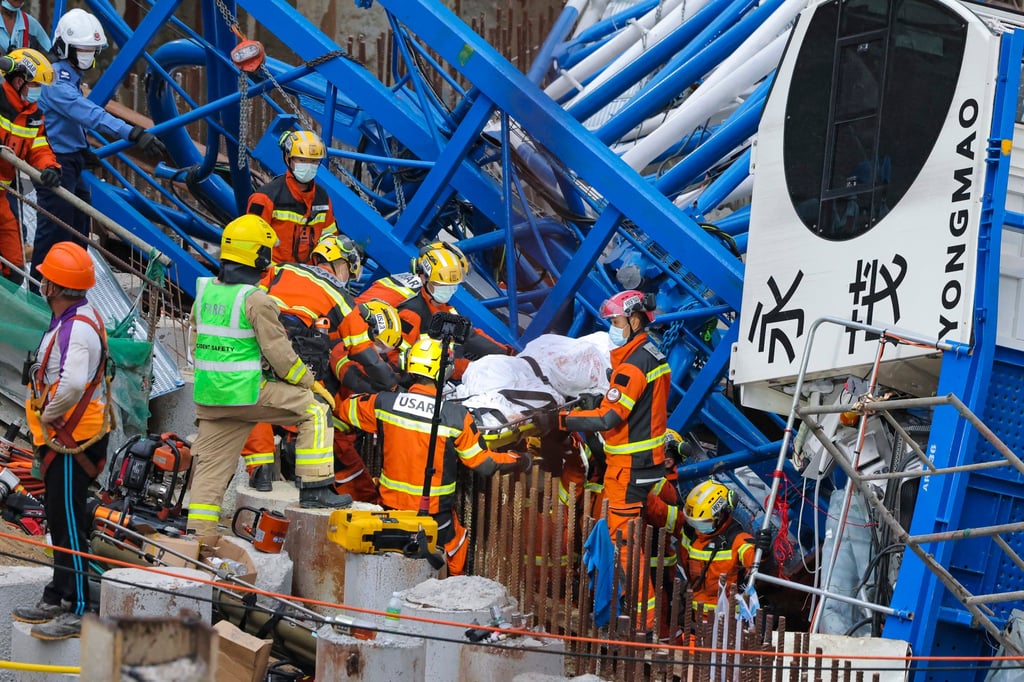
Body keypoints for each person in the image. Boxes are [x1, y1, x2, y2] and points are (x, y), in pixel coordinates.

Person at [186, 215, 351, 536]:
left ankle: (198, 539)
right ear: (258, 256)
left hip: (211, 399)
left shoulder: (205, 292)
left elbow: (198, 342)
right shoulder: (256, 300)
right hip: (248, 393)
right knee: (315, 409)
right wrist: (310, 383)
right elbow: (281, 356)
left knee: (211, 474)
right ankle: (315, 489)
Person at [336, 336, 531, 575]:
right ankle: (449, 592)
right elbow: (484, 464)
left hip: (389, 508)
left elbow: (344, 410)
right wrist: (520, 460)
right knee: (456, 546)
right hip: (435, 515)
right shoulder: (456, 416)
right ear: (446, 370)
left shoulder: (383, 403)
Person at [557, 289, 670, 633]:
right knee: (621, 538)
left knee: (623, 545)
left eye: (617, 322)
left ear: (635, 321)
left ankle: (646, 625)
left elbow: (609, 419)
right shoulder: (650, 354)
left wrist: (565, 421)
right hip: (644, 463)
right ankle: (636, 617)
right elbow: (629, 402)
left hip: (629, 466)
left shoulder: (633, 366)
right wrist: (598, 397)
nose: (613, 329)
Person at [13, 241, 110, 640]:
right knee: (58, 518)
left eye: (46, 279)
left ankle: (81, 610)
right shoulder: (73, 318)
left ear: (53, 286)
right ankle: (58, 593)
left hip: (74, 442)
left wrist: (48, 415)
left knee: (69, 523)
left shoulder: (77, 329)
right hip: (69, 439)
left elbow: (71, 383)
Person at [31, 8, 166, 287]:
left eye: (92, 50)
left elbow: (68, 121)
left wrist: (82, 149)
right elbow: (87, 113)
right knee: (54, 228)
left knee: (79, 226)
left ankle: (71, 285)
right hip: (54, 162)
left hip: (70, 160)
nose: (88, 55)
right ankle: (37, 287)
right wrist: (132, 132)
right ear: (64, 47)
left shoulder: (70, 74)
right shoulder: (56, 80)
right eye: (83, 49)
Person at [362, 246, 512, 379]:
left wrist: (508, 355)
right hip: (412, 379)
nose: (448, 290)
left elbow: (468, 335)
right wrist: (469, 369)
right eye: (441, 285)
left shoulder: (442, 305)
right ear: (423, 277)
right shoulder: (412, 313)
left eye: (452, 285)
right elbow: (401, 360)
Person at [0, 47, 58, 283]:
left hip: (2, 195)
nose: (37, 91)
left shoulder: (33, 115)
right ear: (18, 80)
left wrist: (50, 168)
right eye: (34, 85)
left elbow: (40, 148)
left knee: (13, 268)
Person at [679, 479, 772, 617]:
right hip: (694, 616)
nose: (699, 529)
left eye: (704, 524)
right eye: (695, 524)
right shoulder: (691, 533)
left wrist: (762, 551)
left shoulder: (736, 539)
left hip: (724, 621)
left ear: (722, 513)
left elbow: (752, 559)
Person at [246, 129, 338, 265]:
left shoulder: (322, 198)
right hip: (273, 278)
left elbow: (330, 238)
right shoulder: (265, 198)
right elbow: (251, 243)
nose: (308, 166)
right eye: (302, 160)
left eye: (313, 162)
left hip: (309, 276)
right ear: (288, 159)